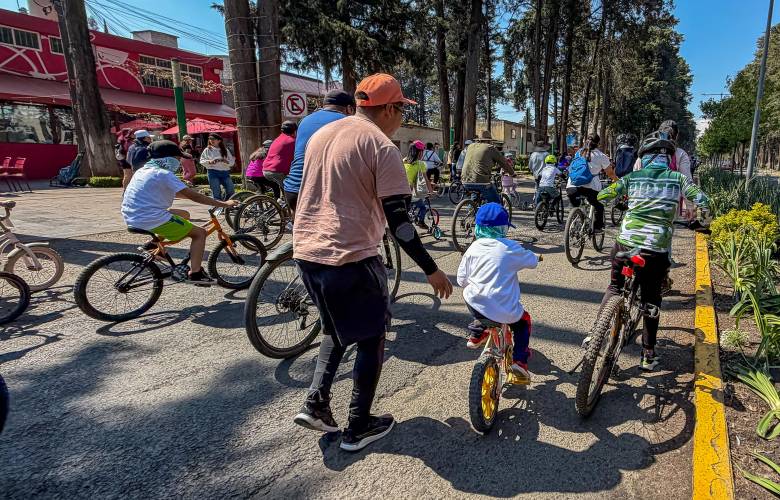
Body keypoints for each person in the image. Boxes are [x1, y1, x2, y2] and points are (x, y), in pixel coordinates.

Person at [291, 73, 452, 452]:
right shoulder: (381, 146)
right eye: (401, 111)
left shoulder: (322, 134)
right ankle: (358, 425)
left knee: (333, 328)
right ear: (390, 108)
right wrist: (432, 269)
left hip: (306, 251)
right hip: (351, 256)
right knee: (371, 338)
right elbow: (400, 224)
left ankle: (316, 404)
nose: (401, 119)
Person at [596, 132, 709, 371]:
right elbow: (702, 200)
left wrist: (623, 200)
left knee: (614, 286)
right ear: (668, 158)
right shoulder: (678, 178)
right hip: (654, 251)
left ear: (644, 158)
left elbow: (603, 195)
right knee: (651, 298)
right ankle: (648, 354)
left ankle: (595, 334)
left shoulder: (632, 177)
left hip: (624, 244)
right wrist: (700, 221)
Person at [121, 140, 237, 285]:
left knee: (184, 215)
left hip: (133, 215)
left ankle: (154, 244)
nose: (178, 162)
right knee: (199, 233)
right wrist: (224, 203)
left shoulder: (143, 170)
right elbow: (194, 197)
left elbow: (179, 193)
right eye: (177, 158)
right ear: (167, 158)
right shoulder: (163, 174)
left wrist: (193, 192)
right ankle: (196, 273)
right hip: (150, 218)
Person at [457, 203, 540, 381]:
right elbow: (532, 261)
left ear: (478, 227)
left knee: (479, 300)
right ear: (503, 228)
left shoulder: (472, 248)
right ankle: (519, 362)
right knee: (523, 322)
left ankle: (477, 332)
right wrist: (536, 257)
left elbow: (461, 280)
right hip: (503, 309)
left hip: (474, 304)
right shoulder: (510, 247)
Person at [283, 90, 356, 213]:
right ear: (349, 108)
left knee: (304, 230)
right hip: (320, 192)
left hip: (292, 190)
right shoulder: (347, 122)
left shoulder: (304, 121)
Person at [565, 133, 615, 233]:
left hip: (571, 186)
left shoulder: (578, 152)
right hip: (591, 188)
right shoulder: (601, 156)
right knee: (599, 206)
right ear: (598, 144)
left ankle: (576, 218)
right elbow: (610, 173)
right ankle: (597, 228)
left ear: (585, 141)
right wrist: (616, 180)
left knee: (575, 205)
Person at [461, 131, 514, 204]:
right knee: (496, 201)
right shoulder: (490, 148)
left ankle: (472, 210)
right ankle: (493, 213)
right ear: (488, 140)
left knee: (475, 194)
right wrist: (512, 173)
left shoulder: (470, 146)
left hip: (464, 180)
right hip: (481, 182)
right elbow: (504, 163)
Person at [263, 121, 298, 200]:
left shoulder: (278, 139)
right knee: (293, 191)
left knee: (284, 189)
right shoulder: (293, 141)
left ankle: (282, 204)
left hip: (267, 169)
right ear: (295, 130)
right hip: (277, 171)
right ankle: (287, 206)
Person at [404, 142, 435, 230]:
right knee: (423, 207)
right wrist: (431, 192)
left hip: (400, 192)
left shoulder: (403, 161)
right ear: (419, 152)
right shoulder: (420, 164)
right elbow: (426, 180)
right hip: (410, 193)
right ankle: (420, 222)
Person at [200, 133, 235, 201]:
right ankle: (217, 208)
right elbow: (202, 160)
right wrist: (210, 162)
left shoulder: (225, 150)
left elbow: (232, 162)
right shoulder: (207, 150)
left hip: (225, 172)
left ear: (219, 141)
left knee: (230, 189)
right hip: (213, 172)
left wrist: (226, 162)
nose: (211, 140)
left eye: (213, 139)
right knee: (216, 192)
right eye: (210, 139)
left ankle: (227, 205)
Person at [528, 141, 550, 207]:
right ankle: (546, 203)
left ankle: (536, 204)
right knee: (547, 188)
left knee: (538, 189)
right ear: (543, 146)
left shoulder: (533, 154)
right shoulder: (547, 154)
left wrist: (533, 171)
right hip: (546, 175)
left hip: (536, 175)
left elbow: (530, 166)